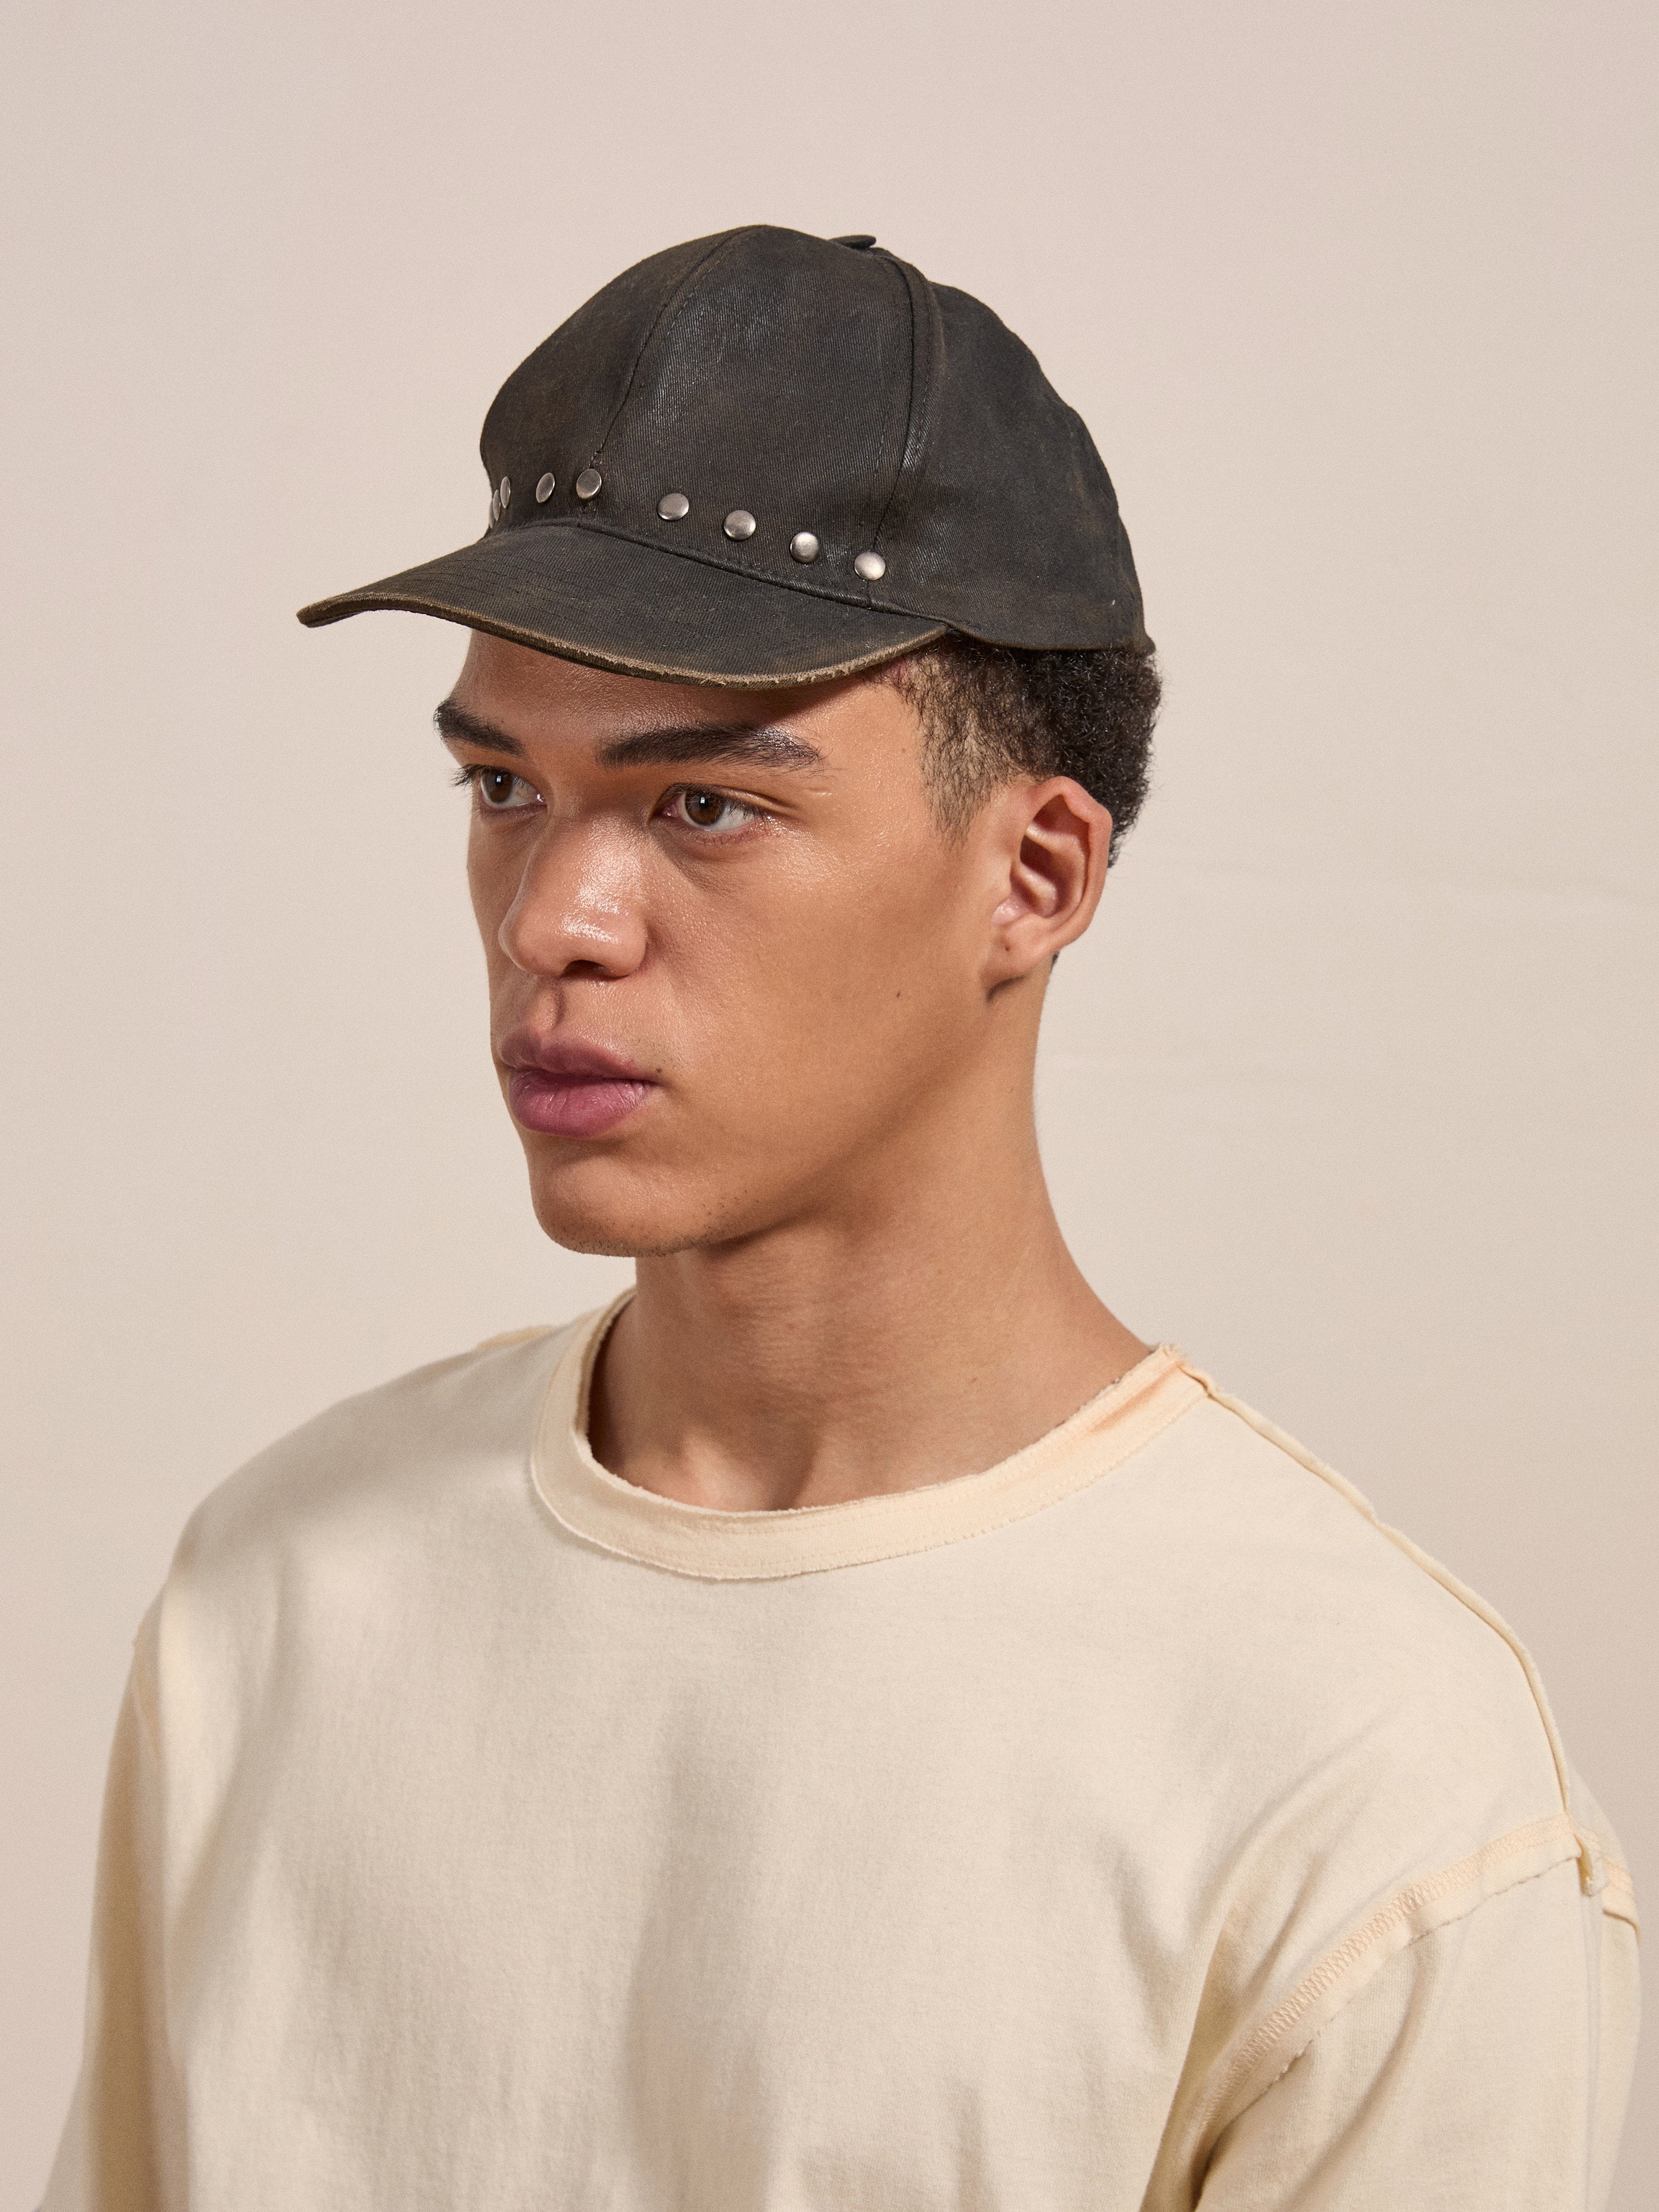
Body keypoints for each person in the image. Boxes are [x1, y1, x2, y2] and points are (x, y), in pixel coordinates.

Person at [43, 226, 1637, 2211]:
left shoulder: (1363, 1784)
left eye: (701, 805)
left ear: (1036, 876)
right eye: (501, 790)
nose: (554, 922)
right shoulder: (278, 1597)